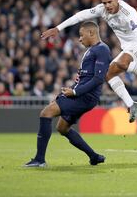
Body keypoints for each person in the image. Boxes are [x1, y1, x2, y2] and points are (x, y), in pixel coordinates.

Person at [41, 0, 137, 123]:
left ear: (117, 0)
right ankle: (132, 104)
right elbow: (81, 15)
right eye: (104, 3)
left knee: (123, 63)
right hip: (129, 48)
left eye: (110, 2)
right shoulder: (101, 10)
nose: (107, 6)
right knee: (108, 74)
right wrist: (58, 28)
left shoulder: (128, 12)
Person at [25, 22, 111, 167]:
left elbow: (98, 78)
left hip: (85, 96)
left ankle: (39, 159)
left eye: (81, 35)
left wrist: (75, 91)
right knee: (62, 128)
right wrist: (69, 90)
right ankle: (94, 156)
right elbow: (84, 78)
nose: (79, 39)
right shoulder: (92, 50)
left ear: (91, 33)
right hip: (79, 93)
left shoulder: (102, 49)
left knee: (46, 113)